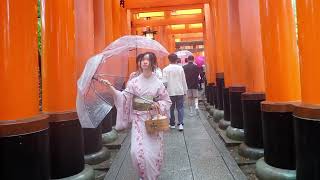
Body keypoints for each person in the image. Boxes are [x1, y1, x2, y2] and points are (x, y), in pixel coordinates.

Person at [99, 52, 172, 180]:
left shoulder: (158, 83)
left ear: (153, 63)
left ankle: (151, 176)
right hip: (138, 121)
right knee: (136, 152)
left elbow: (167, 100)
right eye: (143, 59)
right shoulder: (134, 82)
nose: (144, 62)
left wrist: (157, 104)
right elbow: (123, 98)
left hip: (152, 120)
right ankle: (143, 174)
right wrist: (110, 88)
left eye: (148, 60)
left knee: (152, 154)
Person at [162, 53, 188, 131]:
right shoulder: (180, 68)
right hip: (180, 90)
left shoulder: (165, 69)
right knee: (180, 108)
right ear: (176, 59)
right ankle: (180, 124)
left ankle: (172, 123)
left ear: (169, 60)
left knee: (171, 108)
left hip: (170, 92)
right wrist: (185, 91)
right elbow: (184, 80)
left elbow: (165, 82)